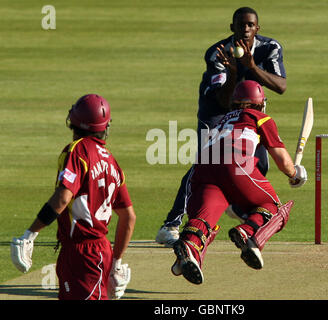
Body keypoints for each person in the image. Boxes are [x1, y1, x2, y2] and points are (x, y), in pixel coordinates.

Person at [156, 6, 287, 247]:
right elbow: (223, 100)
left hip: (249, 112)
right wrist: (235, 73)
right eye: (241, 25)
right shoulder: (218, 53)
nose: (245, 29)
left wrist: (252, 67)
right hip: (216, 112)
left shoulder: (270, 48)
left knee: (259, 163)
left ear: (257, 28)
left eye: (250, 25)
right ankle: (171, 225)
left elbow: (281, 86)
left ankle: (239, 205)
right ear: (232, 27)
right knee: (208, 163)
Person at [170, 80, 307, 285]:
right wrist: (296, 173)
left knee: (203, 221)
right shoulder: (259, 117)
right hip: (234, 163)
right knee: (273, 207)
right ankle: (248, 233)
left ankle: (189, 246)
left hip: (202, 170)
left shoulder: (222, 121)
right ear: (260, 103)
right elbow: (283, 162)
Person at [10, 94, 136, 300]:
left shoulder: (78, 151)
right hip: (97, 250)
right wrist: (116, 264)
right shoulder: (113, 163)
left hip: (83, 254)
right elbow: (129, 217)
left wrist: (30, 235)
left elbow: (63, 197)